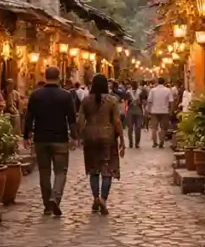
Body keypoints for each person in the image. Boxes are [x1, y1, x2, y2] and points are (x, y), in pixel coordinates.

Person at [23, 67, 78, 217]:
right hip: (60, 139)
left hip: (41, 139)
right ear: (59, 77)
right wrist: (74, 137)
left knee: (44, 172)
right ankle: (55, 197)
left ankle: (47, 205)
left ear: (45, 77)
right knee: (61, 171)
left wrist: (26, 135)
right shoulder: (66, 96)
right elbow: (72, 118)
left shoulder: (36, 95)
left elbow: (29, 117)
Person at [77, 74, 125, 215]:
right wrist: (122, 139)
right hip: (108, 136)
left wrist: (81, 135)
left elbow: (80, 121)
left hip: (90, 136)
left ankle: (96, 198)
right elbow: (117, 121)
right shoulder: (112, 100)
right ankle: (103, 198)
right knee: (107, 169)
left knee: (93, 169)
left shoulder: (86, 101)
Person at [147, 77, 175, 149]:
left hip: (154, 111)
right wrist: (171, 111)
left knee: (154, 128)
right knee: (163, 128)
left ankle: (154, 143)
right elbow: (171, 101)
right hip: (164, 111)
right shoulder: (168, 90)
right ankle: (161, 143)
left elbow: (149, 101)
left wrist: (148, 111)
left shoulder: (152, 90)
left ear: (157, 82)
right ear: (164, 82)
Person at [127, 80, 146, 148]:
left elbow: (144, 102)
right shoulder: (128, 92)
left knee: (138, 128)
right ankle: (131, 142)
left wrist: (139, 102)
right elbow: (125, 102)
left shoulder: (140, 92)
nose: (134, 86)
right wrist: (130, 102)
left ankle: (137, 143)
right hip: (130, 111)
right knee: (130, 128)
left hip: (139, 111)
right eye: (133, 84)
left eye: (135, 84)